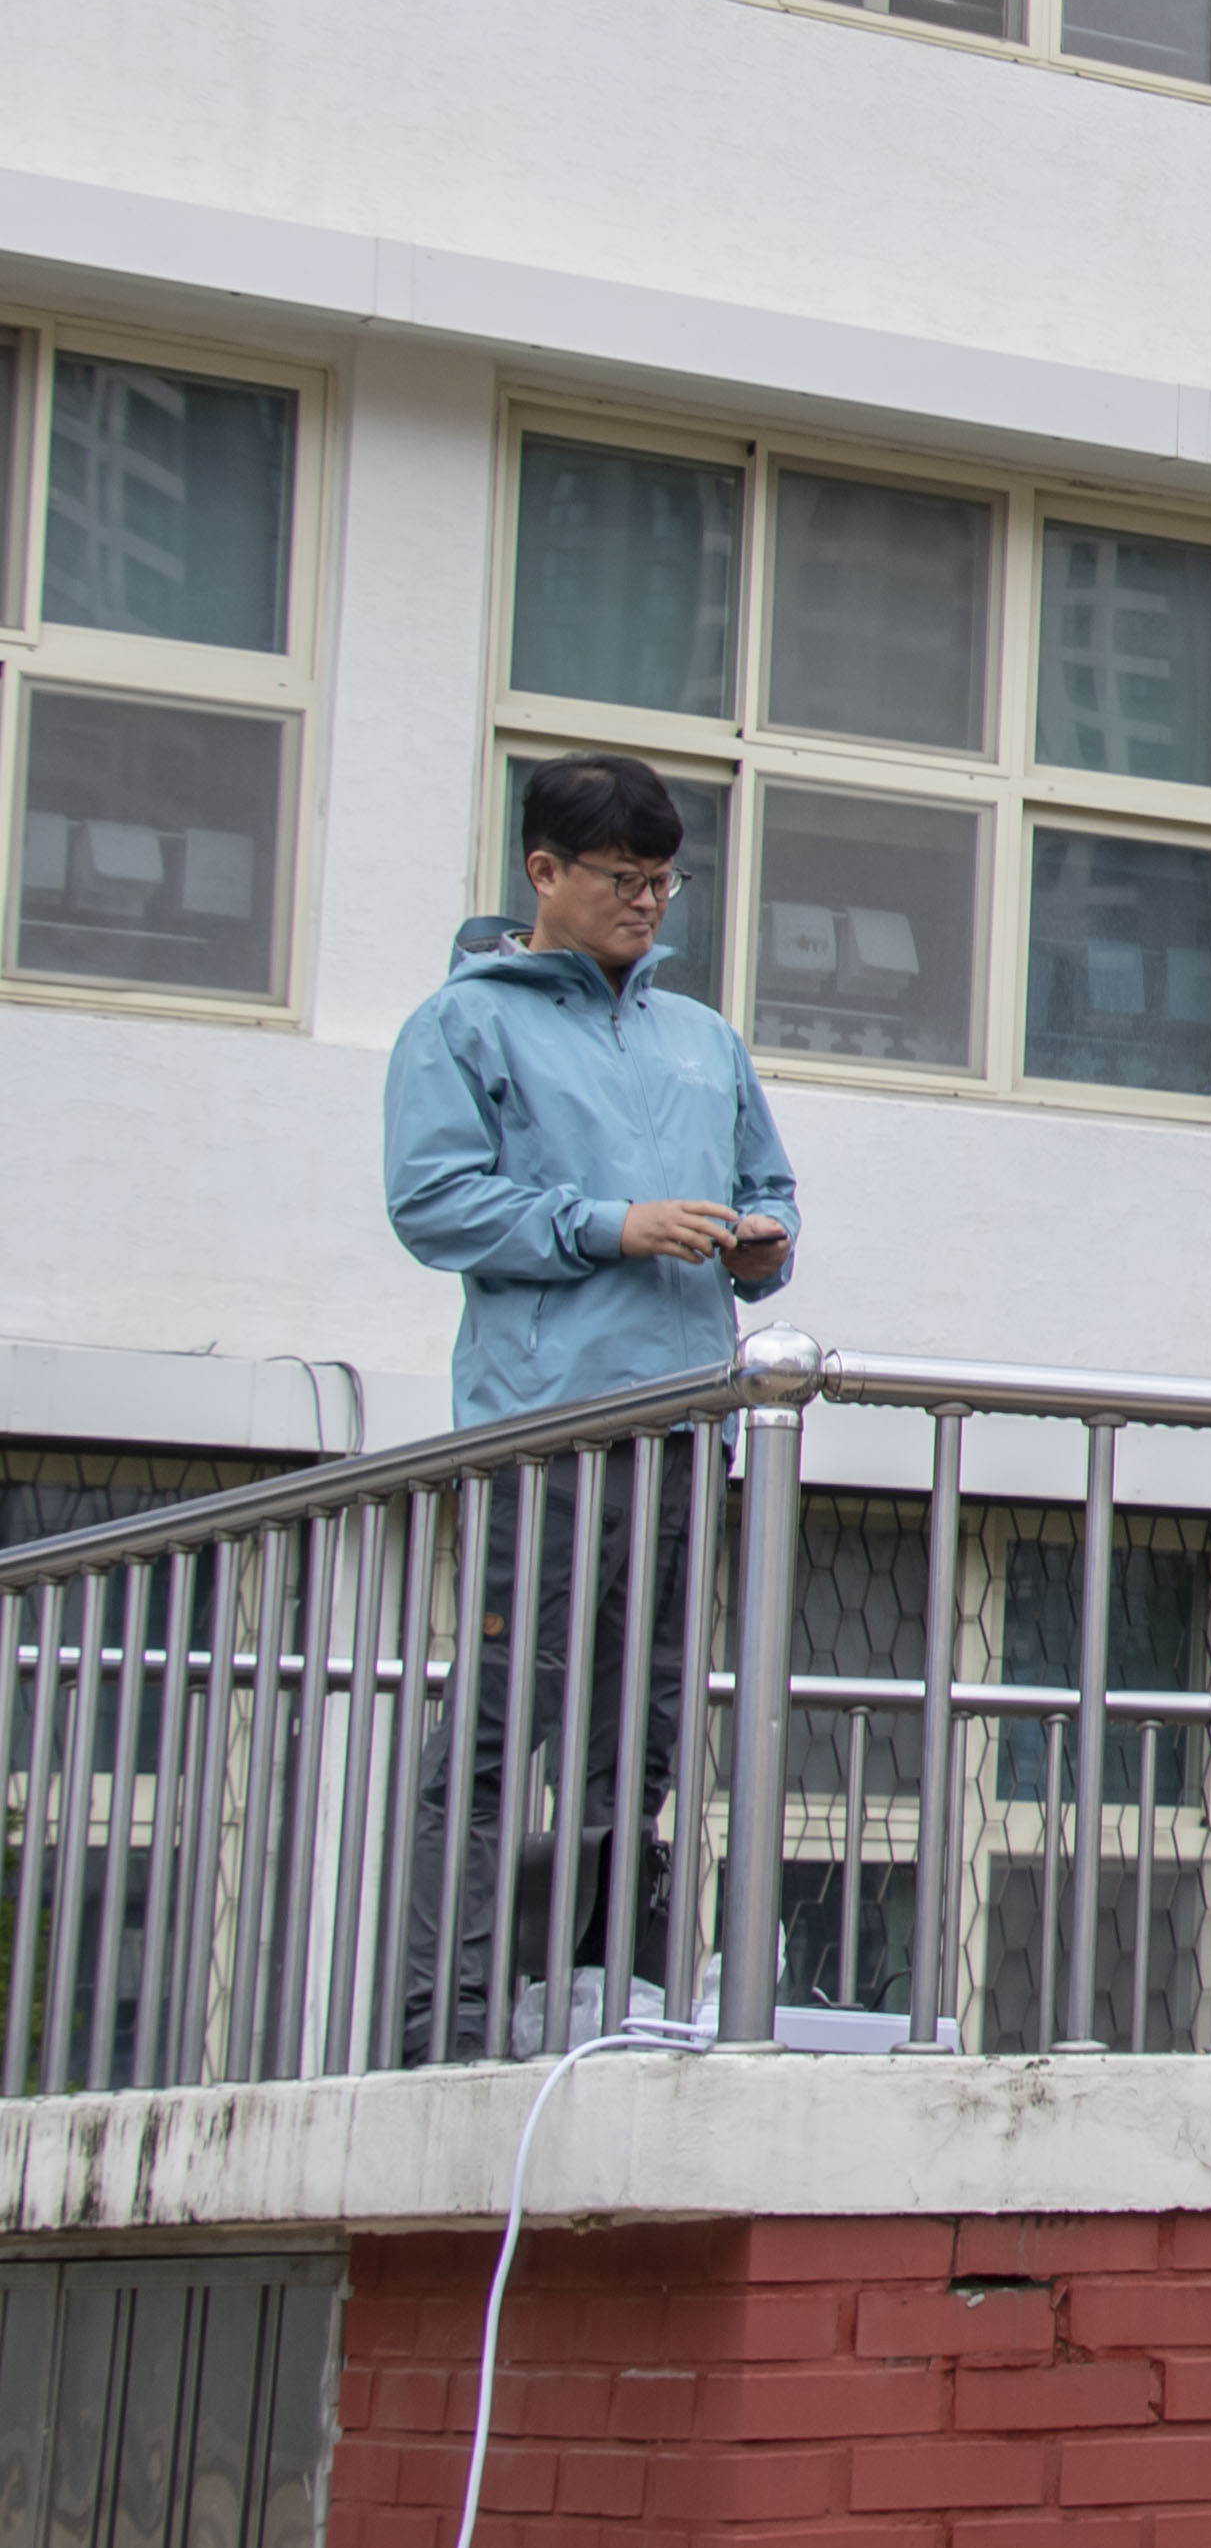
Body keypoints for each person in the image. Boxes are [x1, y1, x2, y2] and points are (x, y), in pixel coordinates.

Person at [380, 753, 802, 2058]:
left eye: (666, 882)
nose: (648, 904)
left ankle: (607, 2004)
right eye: (624, 879)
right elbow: (433, 1205)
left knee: (648, 1738)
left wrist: (761, 1249)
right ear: (544, 871)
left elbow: (771, 1191)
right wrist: (610, 1226)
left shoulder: (703, 1038)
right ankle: (444, 2025)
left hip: (685, 1429)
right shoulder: (462, 1025)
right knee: (502, 1723)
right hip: (546, 1433)